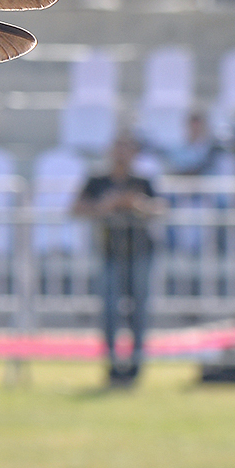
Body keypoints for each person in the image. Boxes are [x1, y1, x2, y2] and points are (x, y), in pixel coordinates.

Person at [72, 134, 165, 387]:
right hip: (110, 253)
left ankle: (135, 368)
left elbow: (160, 208)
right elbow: (76, 208)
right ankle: (113, 367)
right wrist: (105, 205)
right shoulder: (98, 180)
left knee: (139, 314)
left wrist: (138, 206)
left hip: (140, 253)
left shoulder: (142, 181)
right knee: (110, 313)